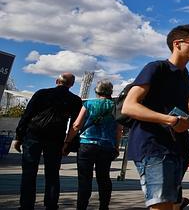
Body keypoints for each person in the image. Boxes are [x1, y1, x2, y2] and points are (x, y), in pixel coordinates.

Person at [121, 24, 189, 210]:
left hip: (177, 148)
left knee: (170, 205)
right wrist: (171, 121)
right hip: (154, 146)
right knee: (162, 206)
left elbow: (180, 113)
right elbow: (129, 106)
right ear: (177, 44)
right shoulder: (157, 68)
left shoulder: (185, 76)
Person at [14, 72, 82, 210]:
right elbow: (75, 125)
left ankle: (26, 205)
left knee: (29, 172)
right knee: (52, 174)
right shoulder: (75, 100)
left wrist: (19, 137)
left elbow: (27, 115)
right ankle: (51, 204)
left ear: (57, 81)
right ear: (72, 84)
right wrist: (68, 145)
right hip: (55, 138)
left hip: (34, 134)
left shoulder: (41, 94)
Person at [62, 80, 122, 210]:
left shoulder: (88, 104)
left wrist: (67, 142)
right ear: (110, 91)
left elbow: (77, 125)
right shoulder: (115, 106)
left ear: (97, 91)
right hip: (106, 146)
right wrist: (116, 146)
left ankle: (81, 206)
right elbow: (118, 130)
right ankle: (103, 206)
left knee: (84, 178)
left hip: (86, 145)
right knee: (104, 177)